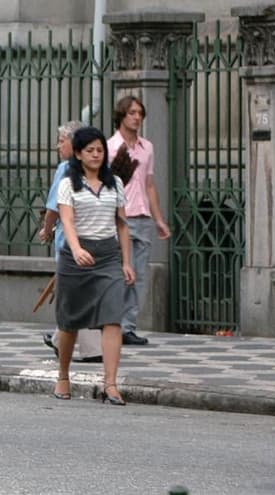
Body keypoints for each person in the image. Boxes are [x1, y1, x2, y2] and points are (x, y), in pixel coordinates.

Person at [54, 126, 135, 406]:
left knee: (113, 318)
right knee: (69, 321)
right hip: (76, 258)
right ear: (78, 153)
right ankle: (63, 375)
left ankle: (110, 384)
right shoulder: (68, 183)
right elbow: (67, 221)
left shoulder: (115, 184)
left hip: (108, 256)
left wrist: (126, 262)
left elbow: (122, 226)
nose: (96, 155)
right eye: (90, 150)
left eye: (100, 150)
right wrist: (76, 249)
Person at [38, 121, 103, 374]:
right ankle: (71, 342)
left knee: (76, 293)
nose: (58, 146)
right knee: (83, 292)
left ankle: (83, 346)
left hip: (70, 242)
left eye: (61, 140)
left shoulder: (66, 168)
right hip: (94, 237)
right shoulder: (94, 168)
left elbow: (54, 206)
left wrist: (46, 229)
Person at [107, 95, 171, 346]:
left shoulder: (147, 147)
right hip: (120, 218)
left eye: (140, 113)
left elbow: (150, 184)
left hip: (142, 216)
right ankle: (114, 323)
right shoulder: (110, 147)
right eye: (132, 113)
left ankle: (128, 326)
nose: (136, 117)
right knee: (124, 272)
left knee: (140, 275)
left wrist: (159, 219)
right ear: (121, 116)